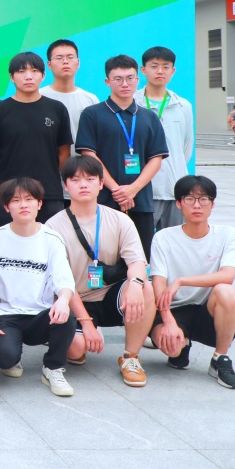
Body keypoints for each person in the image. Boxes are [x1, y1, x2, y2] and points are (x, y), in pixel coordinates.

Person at [47, 155, 155, 387]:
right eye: (75, 180)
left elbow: (137, 262)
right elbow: (61, 281)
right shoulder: (53, 227)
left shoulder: (120, 220)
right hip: (75, 298)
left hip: (109, 294)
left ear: (101, 183)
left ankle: (131, 357)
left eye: (90, 179)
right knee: (75, 350)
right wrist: (86, 323)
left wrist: (136, 284)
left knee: (145, 287)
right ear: (65, 186)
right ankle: (85, 333)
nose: (83, 185)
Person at [149, 175, 235, 389]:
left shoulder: (228, 235)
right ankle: (182, 345)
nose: (197, 205)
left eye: (203, 199)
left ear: (213, 204)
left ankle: (220, 358)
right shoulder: (163, 237)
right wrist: (168, 321)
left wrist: (181, 281)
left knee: (226, 291)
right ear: (178, 203)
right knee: (173, 348)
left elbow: (227, 276)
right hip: (174, 309)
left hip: (206, 310)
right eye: (189, 199)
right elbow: (158, 283)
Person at [0, 178, 77, 397]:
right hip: (5, 315)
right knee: (6, 358)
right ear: (6, 206)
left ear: (39, 203)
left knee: (67, 316)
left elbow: (64, 281)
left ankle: (53, 368)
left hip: (41, 315)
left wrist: (63, 301)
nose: (23, 205)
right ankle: (10, 359)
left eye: (29, 199)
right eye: (16, 200)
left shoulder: (52, 239)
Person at [75, 54, 168, 258]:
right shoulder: (92, 114)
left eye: (130, 78)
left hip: (140, 202)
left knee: (140, 258)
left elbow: (156, 158)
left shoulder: (149, 117)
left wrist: (132, 190)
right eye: (118, 79)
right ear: (107, 82)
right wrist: (117, 190)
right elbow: (88, 154)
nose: (125, 84)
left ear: (138, 79)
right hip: (103, 200)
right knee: (103, 258)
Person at [0, 52, 72, 224]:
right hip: (10, 194)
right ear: (12, 77)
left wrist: (49, 172)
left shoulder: (57, 109)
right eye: (21, 71)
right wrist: (8, 174)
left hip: (49, 193)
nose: (28, 76)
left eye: (34, 71)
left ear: (43, 75)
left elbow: (64, 152)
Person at [139, 47, 194, 232]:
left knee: (174, 242)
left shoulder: (183, 105)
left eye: (165, 66)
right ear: (143, 69)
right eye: (154, 66)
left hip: (174, 189)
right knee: (142, 243)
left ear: (173, 70)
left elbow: (186, 147)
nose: (160, 71)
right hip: (143, 190)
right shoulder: (133, 103)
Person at [40, 39, 98, 141]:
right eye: (59, 58)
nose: (65, 62)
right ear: (49, 65)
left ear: (78, 63)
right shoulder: (38, 96)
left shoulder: (90, 100)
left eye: (70, 57)